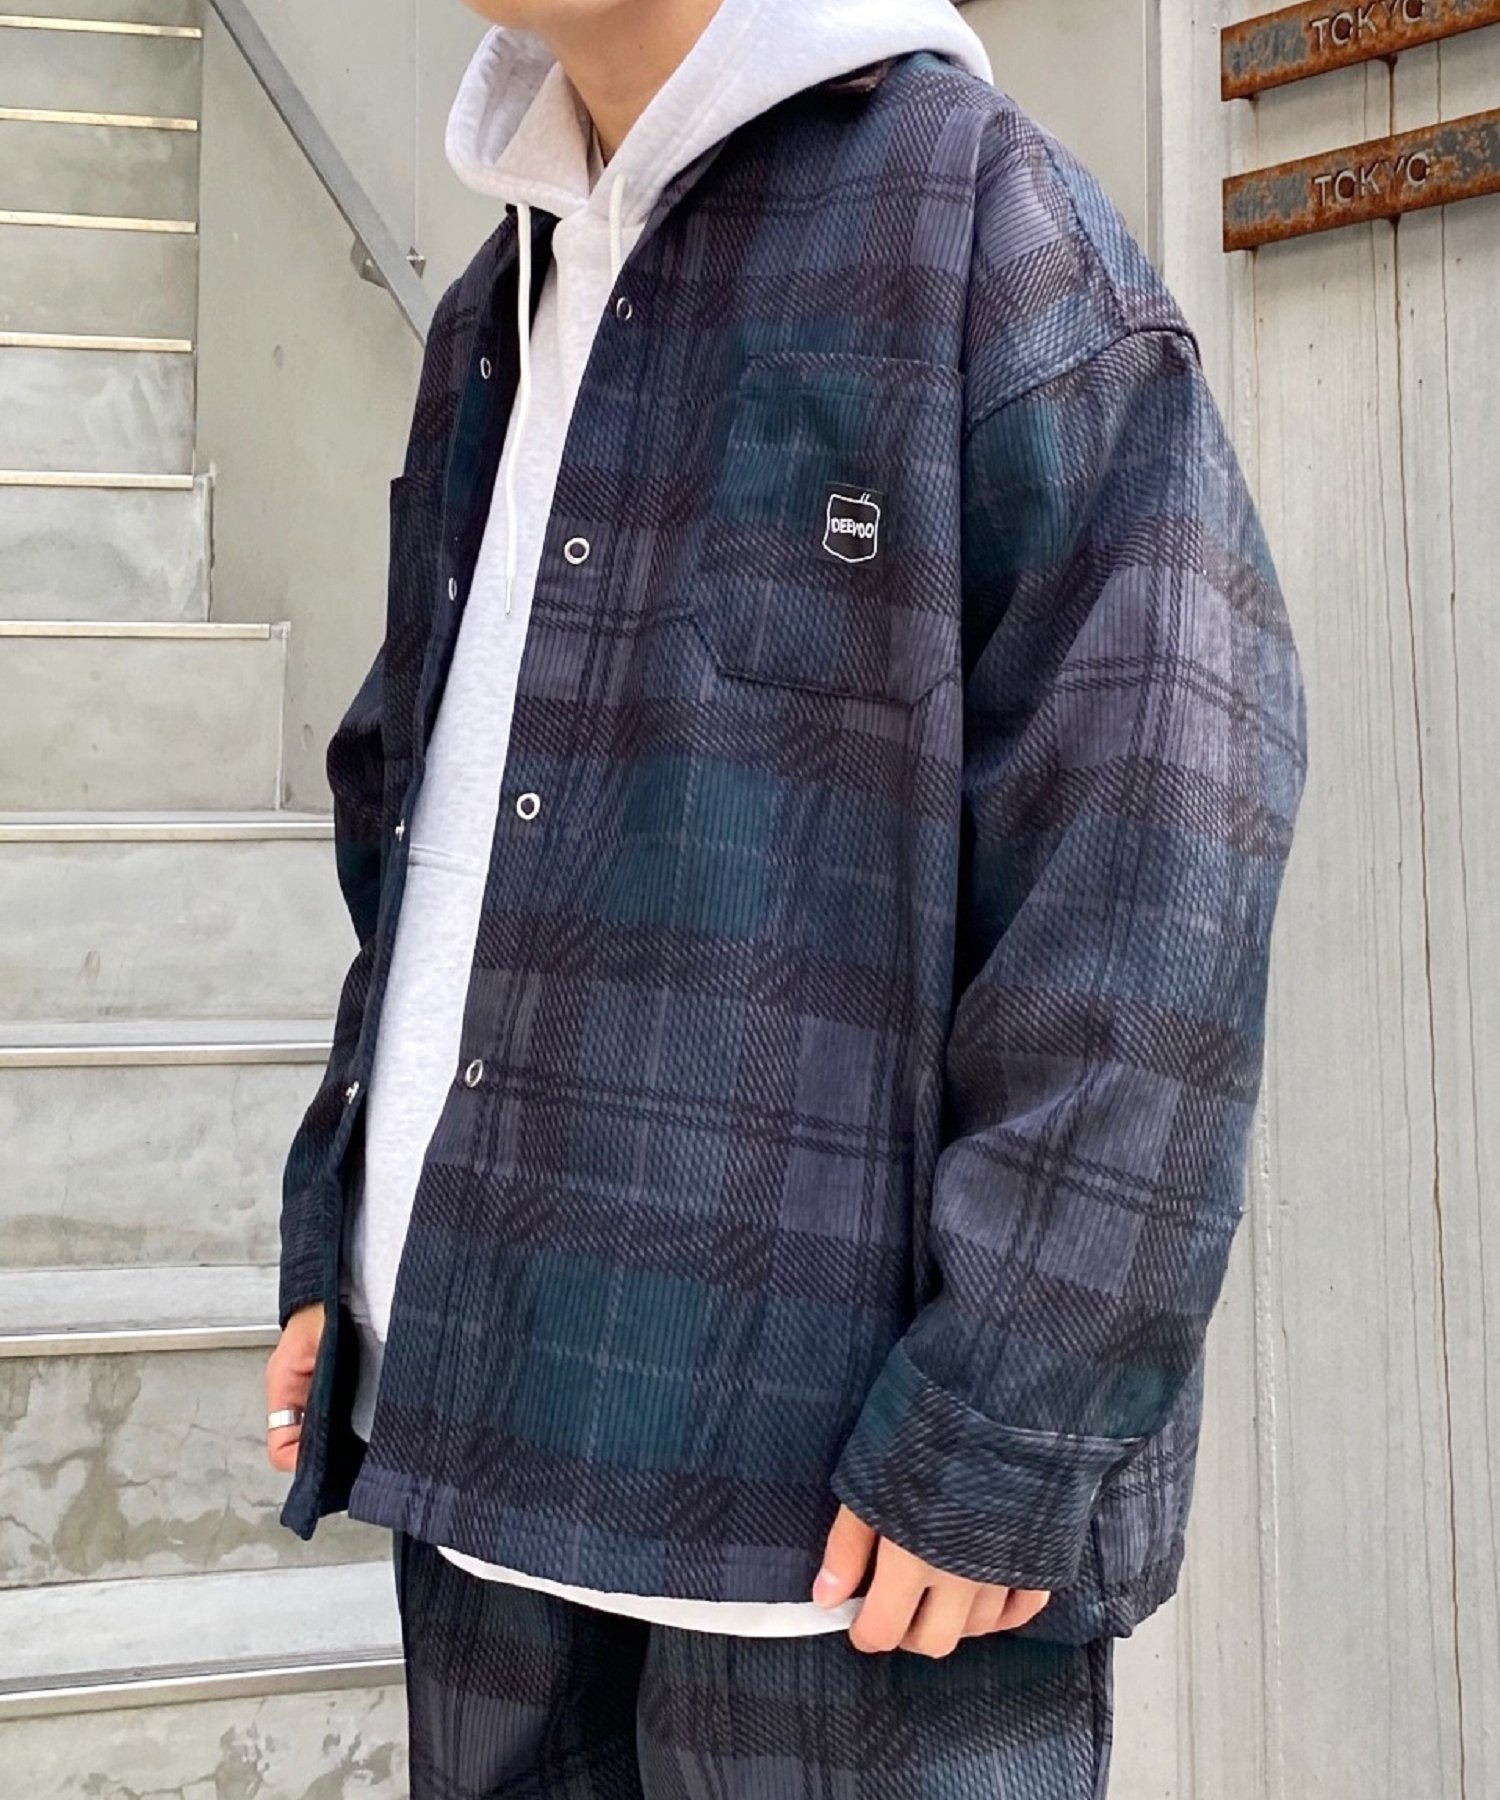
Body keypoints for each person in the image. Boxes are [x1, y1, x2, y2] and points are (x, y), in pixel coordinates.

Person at [265, 0, 1308, 1793]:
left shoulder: (977, 220)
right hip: (479, 1435)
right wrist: (341, 1221)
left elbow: (1162, 839)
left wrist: (1007, 1416)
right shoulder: (496, 306)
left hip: (835, 1555)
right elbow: (422, 803)